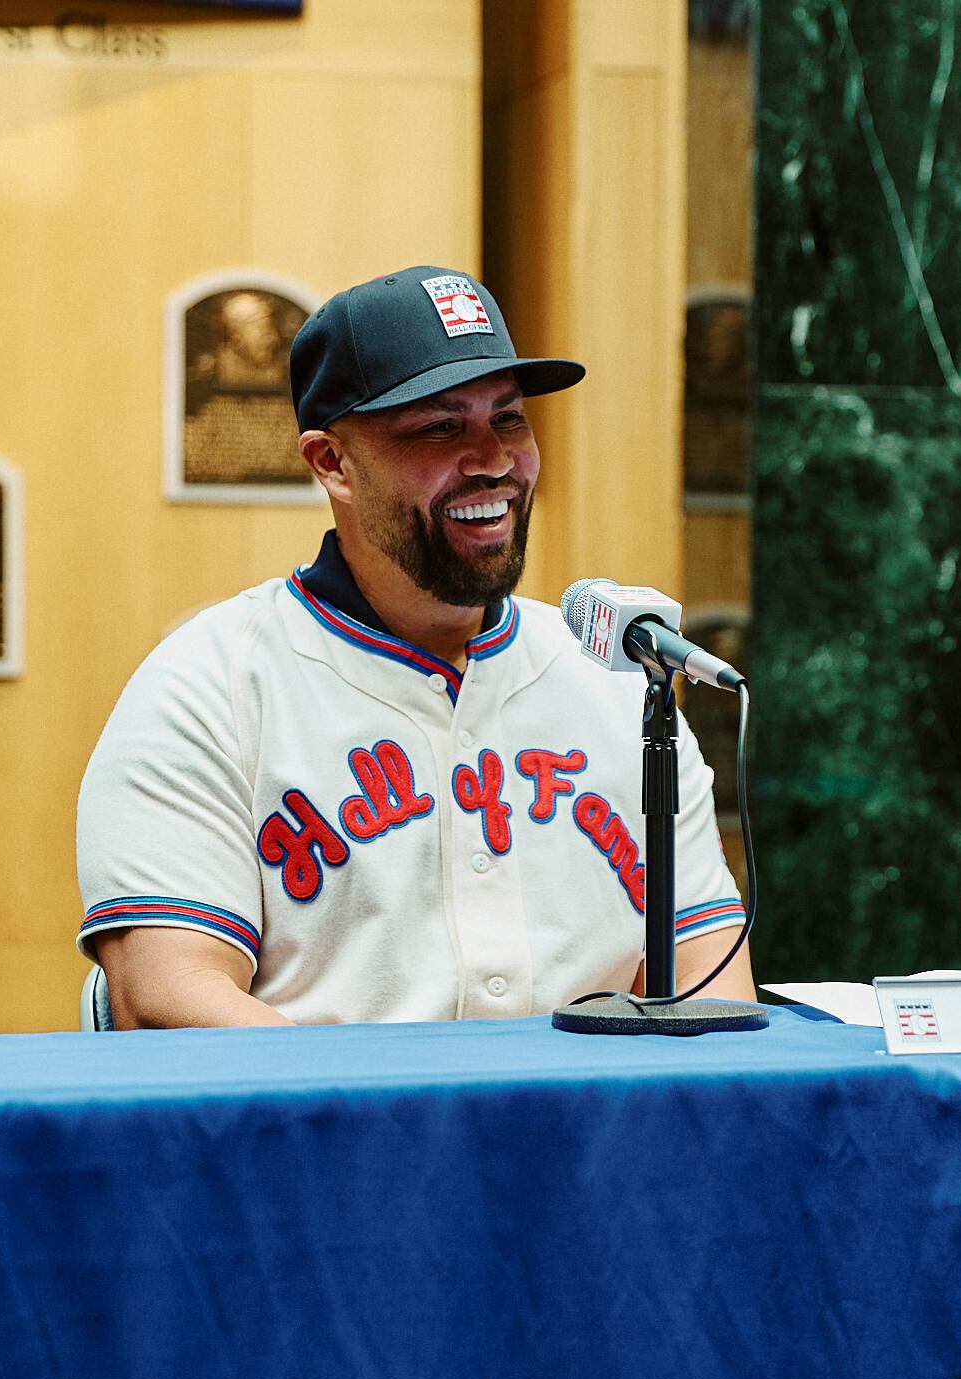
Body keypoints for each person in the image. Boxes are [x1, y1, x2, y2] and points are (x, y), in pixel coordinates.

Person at [77, 266, 753, 1026]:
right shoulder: (208, 683)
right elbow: (168, 994)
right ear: (332, 462)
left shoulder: (614, 677)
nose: (493, 458)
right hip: (328, 1138)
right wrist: (401, 1133)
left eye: (509, 419)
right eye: (440, 427)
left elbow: (711, 976)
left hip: (592, 1138)